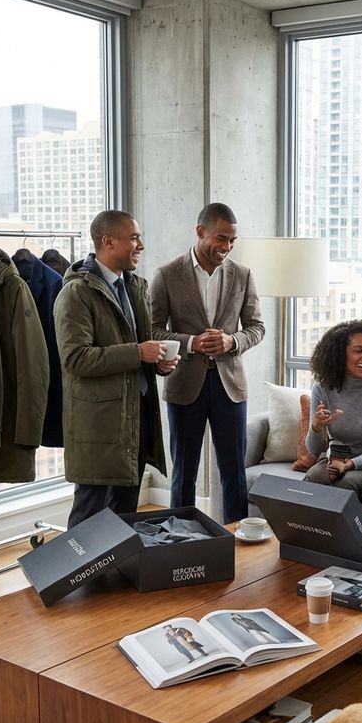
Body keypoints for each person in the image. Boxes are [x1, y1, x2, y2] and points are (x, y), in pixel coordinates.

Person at [54, 210, 179, 528]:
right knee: (89, 517)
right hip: (99, 426)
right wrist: (138, 352)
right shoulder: (76, 294)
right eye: (134, 237)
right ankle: (78, 579)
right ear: (108, 242)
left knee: (125, 515)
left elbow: (138, 353)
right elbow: (76, 359)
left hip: (136, 420)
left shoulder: (137, 286)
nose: (142, 245)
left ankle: (118, 577)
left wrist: (159, 363)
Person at [149, 203, 265, 523]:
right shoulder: (167, 274)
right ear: (201, 232)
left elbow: (257, 327)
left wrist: (232, 341)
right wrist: (190, 343)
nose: (226, 247)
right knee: (183, 475)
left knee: (234, 475)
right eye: (221, 238)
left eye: (232, 240)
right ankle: (180, 540)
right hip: (185, 385)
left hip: (230, 387)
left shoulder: (242, 274)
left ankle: (236, 545)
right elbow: (153, 329)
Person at [303, 320, 362, 502]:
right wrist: (316, 427)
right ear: (340, 354)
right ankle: (305, 530)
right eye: (358, 351)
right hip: (334, 461)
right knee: (313, 478)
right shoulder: (322, 388)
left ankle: (332, 531)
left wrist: (349, 465)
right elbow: (315, 450)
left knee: (345, 485)